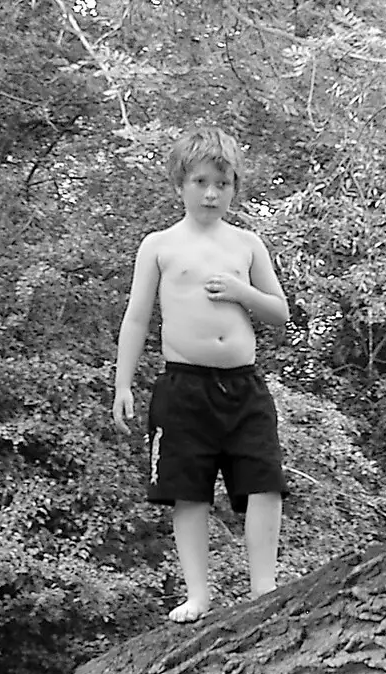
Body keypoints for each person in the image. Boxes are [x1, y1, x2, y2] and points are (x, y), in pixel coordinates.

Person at [111, 126, 290, 623]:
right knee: (187, 491)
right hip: (182, 387)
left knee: (264, 482)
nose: (212, 194)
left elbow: (279, 311)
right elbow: (136, 318)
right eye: (202, 182)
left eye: (223, 184)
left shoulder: (248, 243)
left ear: (235, 188)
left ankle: (264, 588)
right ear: (180, 185)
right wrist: (123, 383)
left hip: (244, 386)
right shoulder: (160, 245)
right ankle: (198, 594)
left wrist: (241, 291)